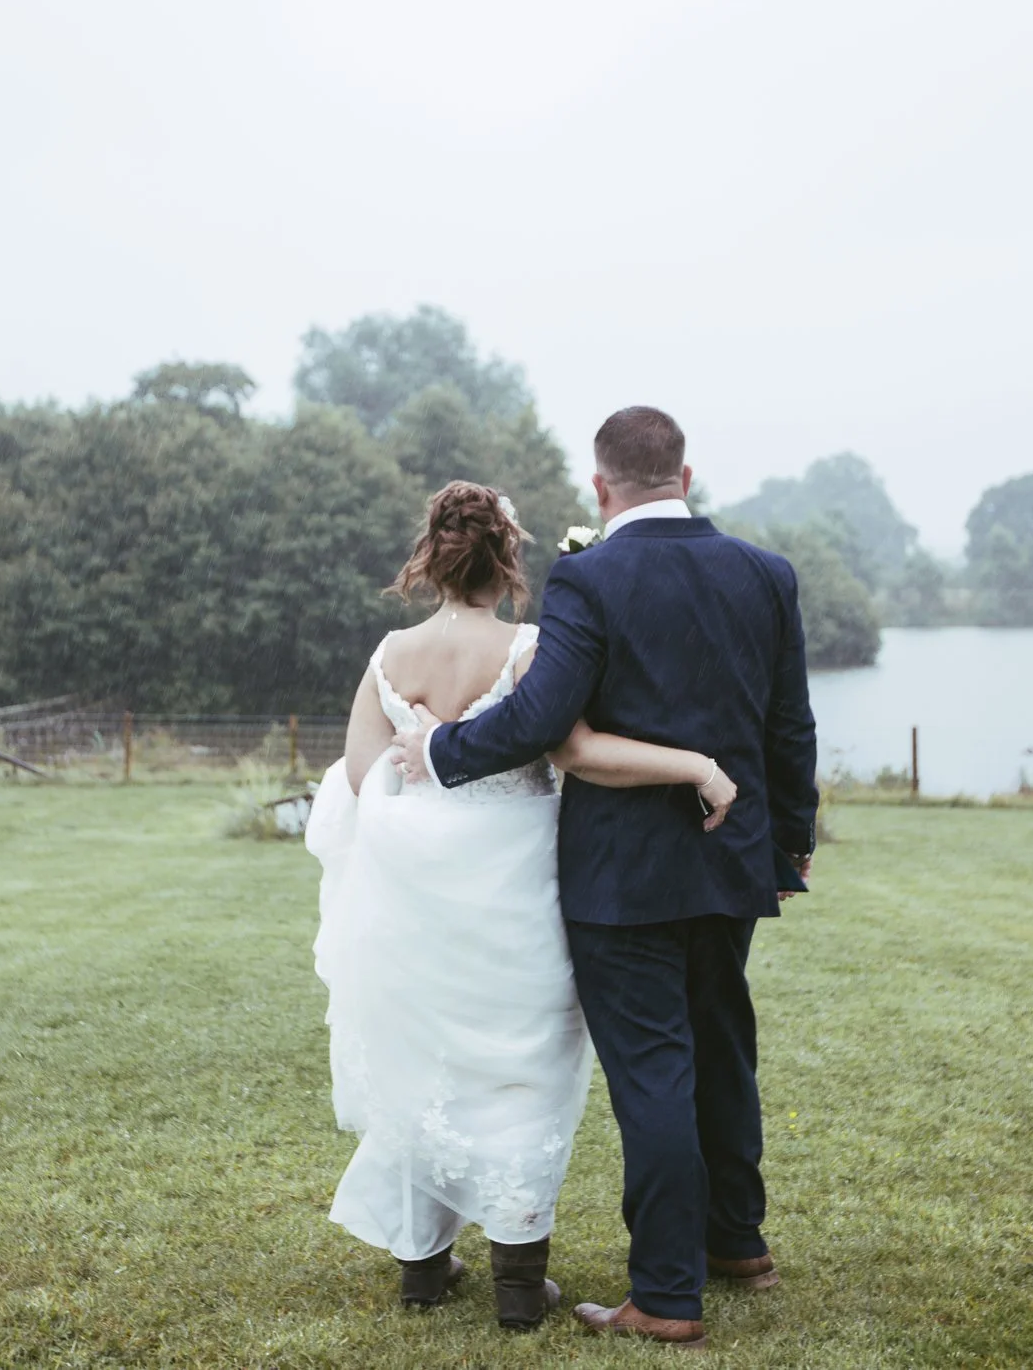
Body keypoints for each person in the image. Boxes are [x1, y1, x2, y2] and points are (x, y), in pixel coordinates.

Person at [389, 405, 819, 1349]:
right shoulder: (766, 573)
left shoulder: (589, 576)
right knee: (722, 1044)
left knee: (655, 1069)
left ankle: (665, 1291)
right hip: (730, 856)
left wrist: (442, 748)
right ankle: (737, 1241)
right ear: (685, 476)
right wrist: (792, 842)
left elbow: (544, 716)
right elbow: (790, 723)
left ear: (600, 486)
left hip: (623, 875)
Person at [305, 479, 741, 1333]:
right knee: (522, 1071)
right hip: (519, 895)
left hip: (416, 908)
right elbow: (573, 752)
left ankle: (422, 1264)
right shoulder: (530, 649)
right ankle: (516, 1279)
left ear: (430, 558)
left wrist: (424, 760)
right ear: (507, 557)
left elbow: (361, 780)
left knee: (424, 1061)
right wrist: (694, 763)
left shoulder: (389, 656)